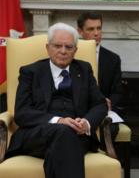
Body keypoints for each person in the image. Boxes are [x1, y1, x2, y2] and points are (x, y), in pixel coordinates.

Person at [5, 23, 108, 178]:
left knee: (63, 143)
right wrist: (58, 120)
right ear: (48, 47)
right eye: (57, 46)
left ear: (75, 50)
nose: (63, 51)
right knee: (65, 134)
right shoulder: (30, 72)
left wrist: (85, 123)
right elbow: (22, 112)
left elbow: (100, 105)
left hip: (78, 135)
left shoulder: (84, 70)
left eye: (68, 47)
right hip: (37, 134)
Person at [77, 12, 123, 146]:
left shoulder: (113, 59)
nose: (96, 33)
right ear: (80, 31)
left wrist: (109, 102)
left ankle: (102, 161)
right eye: (91, 29)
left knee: (111, 128)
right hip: (76, 110)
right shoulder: (70, 55)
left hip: (103, 112)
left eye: (99, 28)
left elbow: (118, 92)